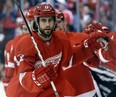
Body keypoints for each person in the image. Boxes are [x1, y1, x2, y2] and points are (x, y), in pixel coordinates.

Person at [5, 4, 107, 97]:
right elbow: (24, 78)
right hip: (23, 94)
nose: (47, 24)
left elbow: (71, 58)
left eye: (50, 20)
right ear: (37, 22)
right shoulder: (26, 44)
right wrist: (37, 78)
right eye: (44, 21)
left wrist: (91, 46)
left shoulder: (60, 38)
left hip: (48, 92)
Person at [2, 7, 35, 92]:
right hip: (21, 86)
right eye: (25, 29)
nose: (28, 31)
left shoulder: (42, 41)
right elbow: (9, 70)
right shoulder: (12, 44)